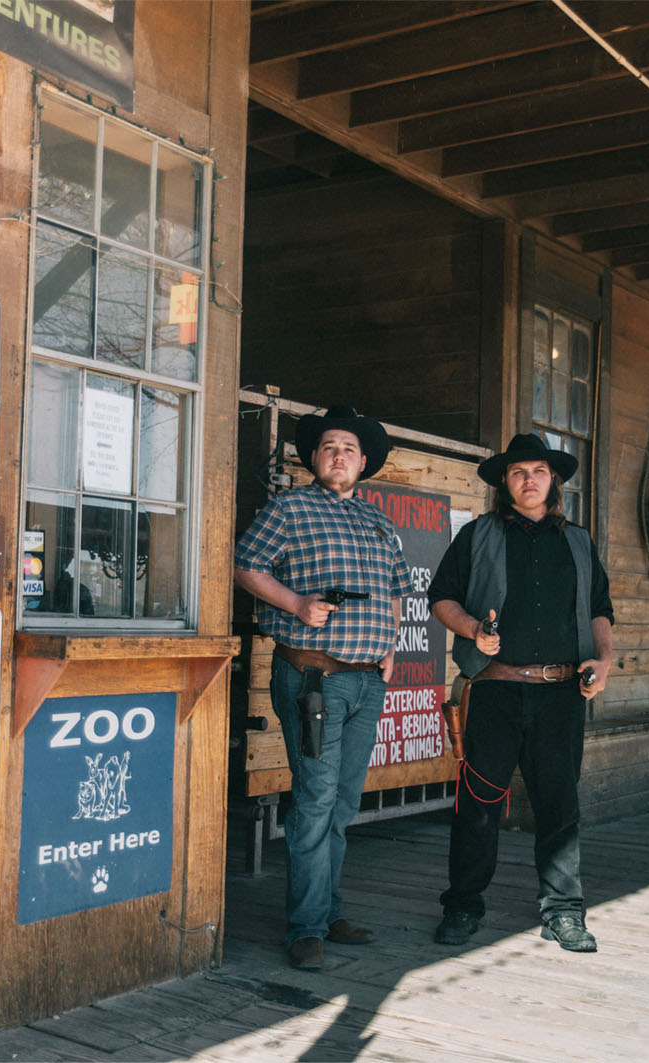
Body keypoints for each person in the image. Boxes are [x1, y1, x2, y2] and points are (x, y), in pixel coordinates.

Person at [234, 405, 412, 971]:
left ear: (364, 463)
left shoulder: (381, 523)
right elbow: (245, 566)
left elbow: (396, 591)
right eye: (330, 446)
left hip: (366, 685)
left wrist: (389, 646)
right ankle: (306, 926)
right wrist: (295, 603)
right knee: (314, 799)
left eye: (350, 449)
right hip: (313, 678)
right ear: (313, 457)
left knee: (343, 802)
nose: (340, 455)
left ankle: (330, 911)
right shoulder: (288, 507)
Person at [427, 433, 613, 953]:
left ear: (552, 479)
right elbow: (441, 597)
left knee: (559, 804)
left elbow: (601, 609)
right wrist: (471, 630)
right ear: (504, 483)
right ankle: (463, 905)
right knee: (477, 805)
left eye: (537, 470)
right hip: (494, 691)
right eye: (517, 472)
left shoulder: (578, 541)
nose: (528, 480)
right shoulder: (478, 536)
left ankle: (563, 911)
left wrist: (603, 659)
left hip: (561, 694)